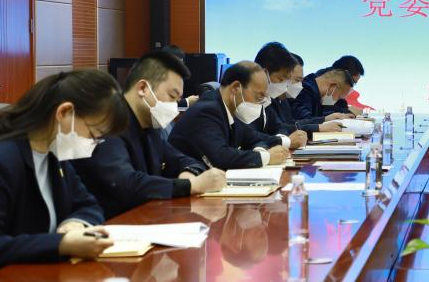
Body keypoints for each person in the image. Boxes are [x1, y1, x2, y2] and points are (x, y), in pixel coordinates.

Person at [0, 70, 127, 282]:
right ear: (64, 112)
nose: (93, 144)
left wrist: (75, 223)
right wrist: (61, 244)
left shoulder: (53, 155)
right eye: (93, 134)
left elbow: (88, 204)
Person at [73, 50, 228, 219]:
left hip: (144, 218)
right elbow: (124, 183)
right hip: (108, 224)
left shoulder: (150, 125)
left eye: (178, 100)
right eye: (172, 96)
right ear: (142, 88)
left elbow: (183, 160)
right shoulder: (108, 122)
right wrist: (190, 186)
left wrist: (188, 174)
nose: (174, 106)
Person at [169, 61, 301, 169]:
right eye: (258, 96)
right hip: (182, 186)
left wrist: (275, 145)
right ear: (236, 88)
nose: (260, 103)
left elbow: (252, 137)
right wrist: (267, 157)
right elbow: (221, 157)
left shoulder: (227, 108)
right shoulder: (207, 110)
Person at [253, 43, 342, 136]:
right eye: (281, 79)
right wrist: (318, 127)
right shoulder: (252, 99)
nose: (286, 85)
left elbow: (286, 125)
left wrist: (323, 120)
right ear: (264, 73)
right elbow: (257, 136)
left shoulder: (278, 99)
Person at [291, 67, 356, 134]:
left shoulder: (318, 93)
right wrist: (324, 120)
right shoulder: (304, 90)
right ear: (332, 87)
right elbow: (302, 121)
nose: (336, 101)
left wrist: (329, 118)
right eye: (339, 97)